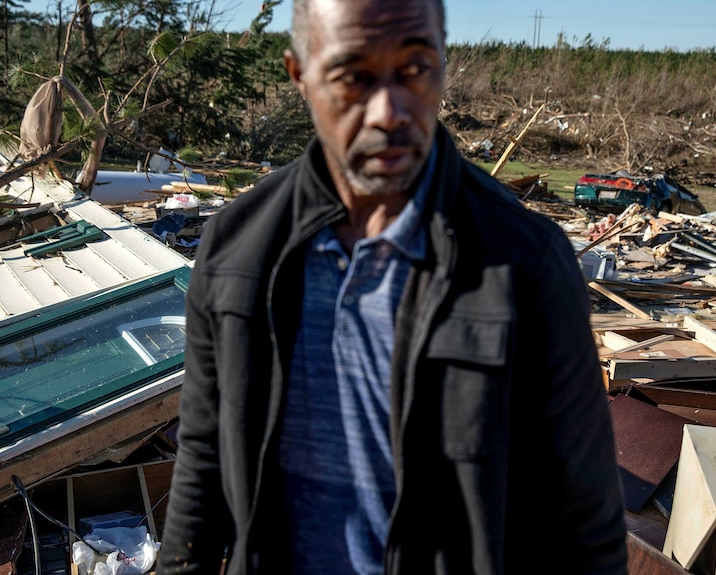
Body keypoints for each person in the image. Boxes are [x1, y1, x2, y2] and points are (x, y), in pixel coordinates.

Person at [158, 0, 629, 572]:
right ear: (300, 76)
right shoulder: (238, 247)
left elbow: (584, 520)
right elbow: (204, 458)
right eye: (354, 77)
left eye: (415, 68)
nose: (389, 110)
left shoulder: (522, 262)